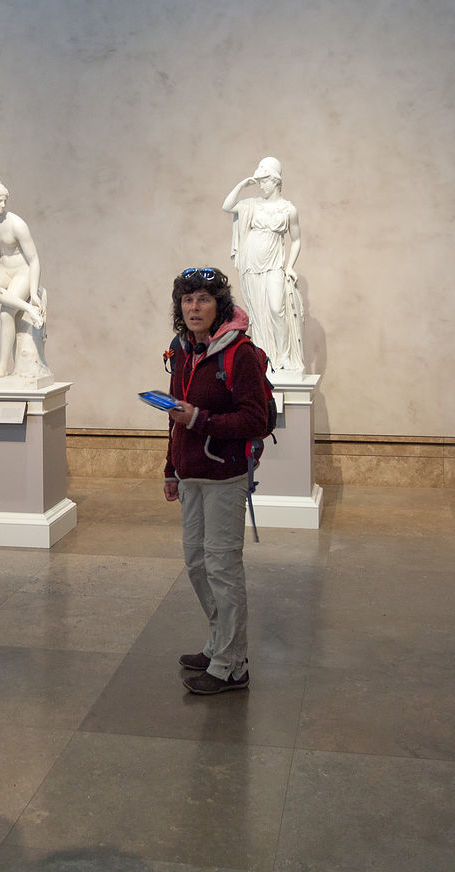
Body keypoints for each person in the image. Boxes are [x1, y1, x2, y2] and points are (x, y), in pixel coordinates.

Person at [163, 267, 268, 694]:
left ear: (218, 305)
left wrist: (200, 419)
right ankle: (217, 643)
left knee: (223, 568)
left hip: (224, 476)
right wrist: (170, 468)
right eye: (187, 300)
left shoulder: (239, 353)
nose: (194, 307)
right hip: (191, 474)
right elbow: (174, 417)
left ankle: (232, 664)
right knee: (198, 564)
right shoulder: (182, 350)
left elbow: (255, 419)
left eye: (203, 299)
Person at [222, 157, 304, 373]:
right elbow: (227, 206)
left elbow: (296, 240)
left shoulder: (288, 209)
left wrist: (290, 266)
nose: (261, 186)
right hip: (251, 266)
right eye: (259, 182)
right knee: (257, 313)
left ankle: (284, 358)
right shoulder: (252, 205)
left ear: (275, 181)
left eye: (264, 181)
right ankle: (262, 358)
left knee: (277, 310)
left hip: (274, 264)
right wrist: (242, 185)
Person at [0, 180, 49, 379]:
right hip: (4, 271)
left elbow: (34, 260)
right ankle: (28, 310)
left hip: (22, 271)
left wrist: (33, 292)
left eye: (5, 200)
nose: (3, 205)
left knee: (6, 313)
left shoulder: (17, 224)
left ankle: (1, 367)